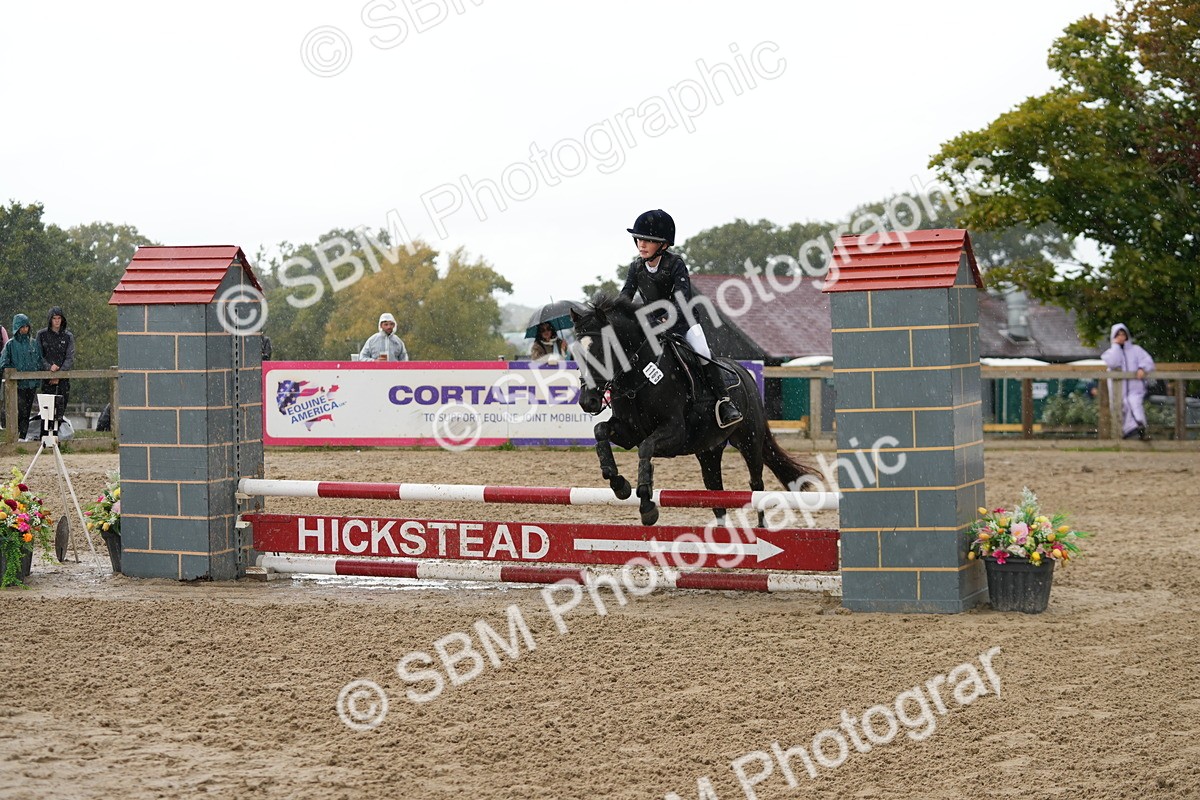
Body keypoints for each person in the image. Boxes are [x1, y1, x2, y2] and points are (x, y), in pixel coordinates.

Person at [619, 209, 742, 428]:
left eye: (648, 240)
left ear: (663, 245)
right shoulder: (636, 267)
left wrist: (664, 321)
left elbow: (681, 299)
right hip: (652, 327)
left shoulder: (675, 264)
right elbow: (625, 297)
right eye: (639, 239)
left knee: (703, 353)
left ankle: (725, 402)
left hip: (683, 323)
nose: (642, 244)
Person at [1101, 322, 1155, 440]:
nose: (1121, 337)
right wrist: (1115, 347)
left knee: (1135, 404)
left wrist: (1142, 368)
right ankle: (1127, 431)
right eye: (1118, 335)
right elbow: (1113, 362)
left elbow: (1148, 361)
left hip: (1135, 387)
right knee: (1122, 406)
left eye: (1123, 334)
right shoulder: (1112, 352)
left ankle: (1140, 428)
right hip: (1118, 389)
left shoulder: (1136, 350)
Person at [0, 314, 44, 441]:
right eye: (22, 327)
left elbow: (39, 361)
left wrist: (36, 377)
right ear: (17, 328)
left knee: (27, 411)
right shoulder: (10, 345)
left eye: (26, 326)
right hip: (16, 384)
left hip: (31, 384)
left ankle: (23, 436)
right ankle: (15, 435)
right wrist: (12, 373)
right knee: (17, 410)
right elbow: (4, 363)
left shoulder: (34, 343)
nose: (25, 329)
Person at [36, 306, 74, 424]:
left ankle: (58, 438)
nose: (57, 321)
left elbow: (70, 357)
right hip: (47, 379)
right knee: (46, 413)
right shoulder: (41, 335)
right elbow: (38, 356)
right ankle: (45, 438)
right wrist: (49, 368)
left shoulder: (68, 336)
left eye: (59, 318)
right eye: (54, 318)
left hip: (63, 380)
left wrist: (59, 374)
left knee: (60, 412)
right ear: (50, 320)